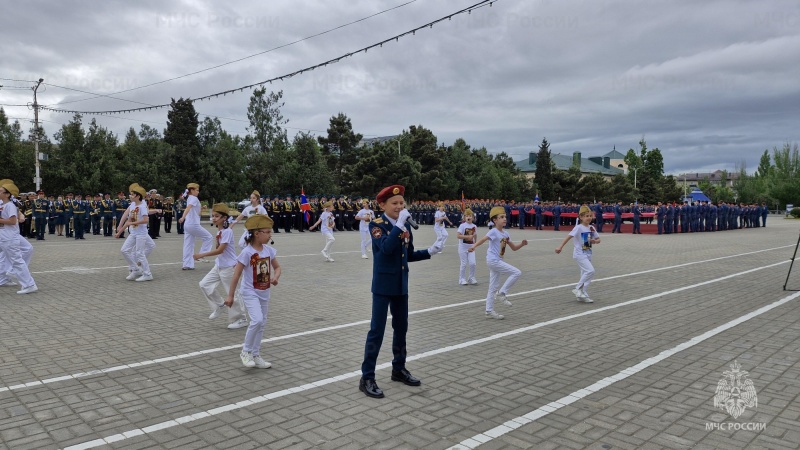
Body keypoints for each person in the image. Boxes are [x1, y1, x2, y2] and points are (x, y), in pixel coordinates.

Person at [359, 185, 441, 399]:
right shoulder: (376, 226)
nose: (399, 206)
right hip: (383, 287)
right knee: (376, 331)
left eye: (402, 203)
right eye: (394, 203)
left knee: (401, 328)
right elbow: (386, 249)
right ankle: (367, 377)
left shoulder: (406, 227)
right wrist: (400, 224)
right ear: (382, 205)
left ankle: (398, 368)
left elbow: (409, 255)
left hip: (400, 286)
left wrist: (430, 252)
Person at [225, 214, 280, 369]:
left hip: (264, 292)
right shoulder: (247, 252)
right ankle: (246, 351)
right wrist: (230, 296)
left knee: (262, 323)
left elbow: (277, 267)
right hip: (250, 292)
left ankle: (256, 355)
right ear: (257, 234)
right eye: (267, 232)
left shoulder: (269, 250)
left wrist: (275, 277)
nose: (270, 235)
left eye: (270, 232)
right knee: (256, 320)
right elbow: (236, 275)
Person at [468, 206, 528, 319]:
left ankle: (489, 311)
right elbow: (483, 239)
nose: (504, 219)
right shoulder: (493, 232)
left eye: (505, 217)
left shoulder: (505, 234)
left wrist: (522, 244)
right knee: (516, 272)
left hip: (498, 261)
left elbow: (514, 248)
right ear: (495, 220)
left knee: (492, 287)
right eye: (501, 217)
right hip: (493, 260)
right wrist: (473, 246)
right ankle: (502, 293)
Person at [196, 203, 248, 330]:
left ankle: (241, 319)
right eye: (213, 216)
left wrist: (202, 254)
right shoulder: (220, 231)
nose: (214, 218)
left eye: (217, 216)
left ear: (224, 218)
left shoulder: (227, 231)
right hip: (219, 265)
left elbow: (220, 250)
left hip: (229, 267)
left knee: (233, 293)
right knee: (204, 284)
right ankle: (220, 305)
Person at [555, 205, 601, 303]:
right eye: (586, 216)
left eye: (590, 216)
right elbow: (568, 237)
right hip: (579, 254)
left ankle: (582, 294)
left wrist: (594, 241)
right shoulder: (578, 228)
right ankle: (577, 289)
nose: (589, 218)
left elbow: (598, 239)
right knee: (590, 271)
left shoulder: (591, 228)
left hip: (588, 252)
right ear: (581, 217)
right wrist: (560, 247)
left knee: (585, 274)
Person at [0, 181, 38, 294]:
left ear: (7, 194)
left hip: (10, 236)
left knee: (17, 260)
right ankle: (4, 278)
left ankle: (29, 284)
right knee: (5, 257)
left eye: (1, 191)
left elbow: (12, 221)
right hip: (5, 236)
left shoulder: (10, 205)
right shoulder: (3, 204)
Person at [115, 183, 155, 282]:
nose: (130, 196)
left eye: (132, 194)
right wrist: (119, 231)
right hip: (134, 233)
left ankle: (147, 274)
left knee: (139, 253)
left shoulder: (142, 206)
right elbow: (128, 220)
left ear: (138, 196)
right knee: (124, 250)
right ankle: (136, 269)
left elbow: (146, 220)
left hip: (141, 233)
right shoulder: (132, 206)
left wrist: (134, 222)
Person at [178, 183, 213, 270]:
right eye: (197, 190)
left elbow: (194, 210)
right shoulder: (194, 198)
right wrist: (182, 217)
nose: (198, 192)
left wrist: (202, 208)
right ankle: (201, 255)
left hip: (187, 225)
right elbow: (188, 208)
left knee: (188, 244)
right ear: (192, 190)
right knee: (209, 237)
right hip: (193, 224)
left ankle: (187, 264)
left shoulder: (190, 198)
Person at [457, 208, 478, 285]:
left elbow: (475, 235)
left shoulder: (474, 226)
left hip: (471, 247)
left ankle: (471, 277)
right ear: (464, 217)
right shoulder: (462, 226)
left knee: (473, 263)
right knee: (464, 263)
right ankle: (462, 279)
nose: (469, 217)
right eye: (467, 216)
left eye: (470, 216)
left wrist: (475, 244)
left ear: (473, 217)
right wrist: (467, 237)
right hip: (463, 247)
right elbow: (458, 236)